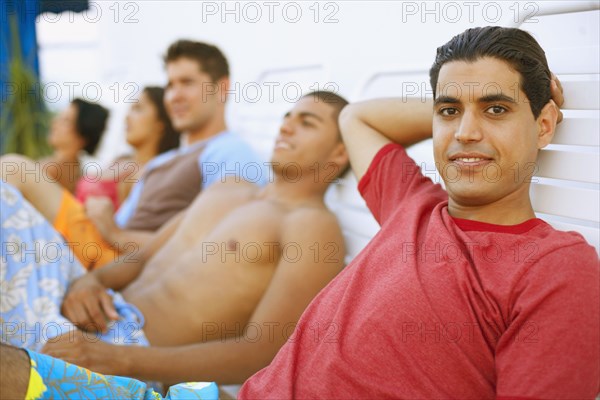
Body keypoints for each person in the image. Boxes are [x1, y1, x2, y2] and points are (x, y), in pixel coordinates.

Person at [239, 27, 600, 398]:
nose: (465, 132)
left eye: (496, 109)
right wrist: (462, 101)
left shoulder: (556, 266)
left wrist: (508, 101)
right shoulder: (411, 205)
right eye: (449, 111)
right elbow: (355, 118)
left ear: (543, 125)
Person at [0, 92, 350, 392]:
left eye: (307, 123)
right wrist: (92, 281)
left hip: (128, 350)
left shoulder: (313, 226)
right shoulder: (228, 187)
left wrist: (116, 358)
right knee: (6, 187)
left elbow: (262, 351)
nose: (286, 126)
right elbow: (141, 258)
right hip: (96, 305)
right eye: (288, 116)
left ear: (339, 153)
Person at [1, 40, 265, 269]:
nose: (174, 96)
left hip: (114, 257)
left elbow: (213, 249)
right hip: (102, 244)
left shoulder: (230, 151)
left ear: (221, 88)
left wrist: (114, 232)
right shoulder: (167, 159)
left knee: (15, 169)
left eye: (187, 83)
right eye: (170, 85)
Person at [75, 86, 180, 210]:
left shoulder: (152, 174)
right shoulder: (121, 159)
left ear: (161, 123)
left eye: (138, 109)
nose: (127, 118)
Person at [41, 98, 109, 193]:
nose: (55, 122)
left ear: (83, 135)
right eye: (59, 117)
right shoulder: (78, 172)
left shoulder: (53, 169)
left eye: (65, 121)